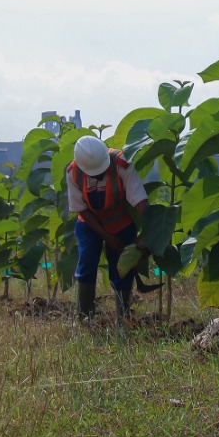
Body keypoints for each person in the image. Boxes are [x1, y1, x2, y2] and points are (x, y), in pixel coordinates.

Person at [67, 134, 149, 321]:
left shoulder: (121, 164)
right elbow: (82, 210)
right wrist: (106, 236)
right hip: (90, 224)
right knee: (87, 263)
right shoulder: (73, 172)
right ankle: (85, 318)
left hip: (121, 222)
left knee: (121, 267)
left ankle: (123, 318)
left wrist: (145, 235)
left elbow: (141, 202)